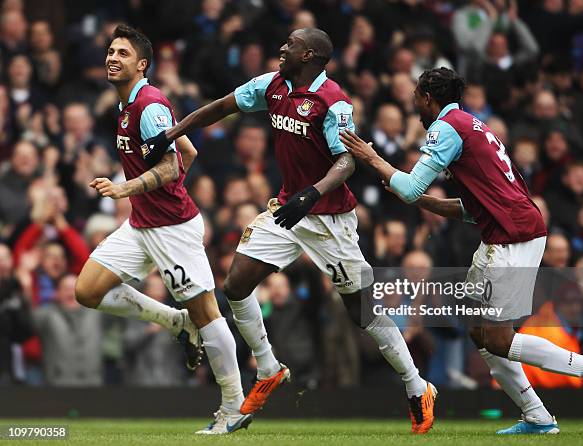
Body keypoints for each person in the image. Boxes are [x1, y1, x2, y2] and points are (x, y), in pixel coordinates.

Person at [143, 27, 436, 434]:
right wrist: (171, 133)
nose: (282, 48)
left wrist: (312, 194)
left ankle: (416, 384)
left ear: (311, 55)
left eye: (291, 44)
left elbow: (347, 162)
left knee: (361, 309)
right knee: (237, 283)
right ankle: (268, 367)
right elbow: (223, 106)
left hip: (328, 217)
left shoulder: (333, 101)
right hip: (287, 210)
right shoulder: (273, 84)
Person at [340, 67, 583, 434]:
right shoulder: (472, 126)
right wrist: (428, 203)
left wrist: (373, 159)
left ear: (429, 97)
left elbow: (408, 187)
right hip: (508, 230)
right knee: (479, 330)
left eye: (417, 95)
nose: (414, 103)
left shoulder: (446, 127)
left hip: (512, 236)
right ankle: (536, 416)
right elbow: (473, 206)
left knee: (498, 337)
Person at [73, 25, 250, 435]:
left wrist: (126, 189)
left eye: (122, 53)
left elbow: (171, 166)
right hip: (142, 224)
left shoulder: (149, 105)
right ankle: (175, 322)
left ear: (142, 65)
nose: (112, 57)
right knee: (88, 290)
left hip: (172, 228)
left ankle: (234, 405)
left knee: (206, 312)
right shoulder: (128, 106)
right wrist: (146, 196)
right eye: (110, 51)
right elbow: (186, 150)